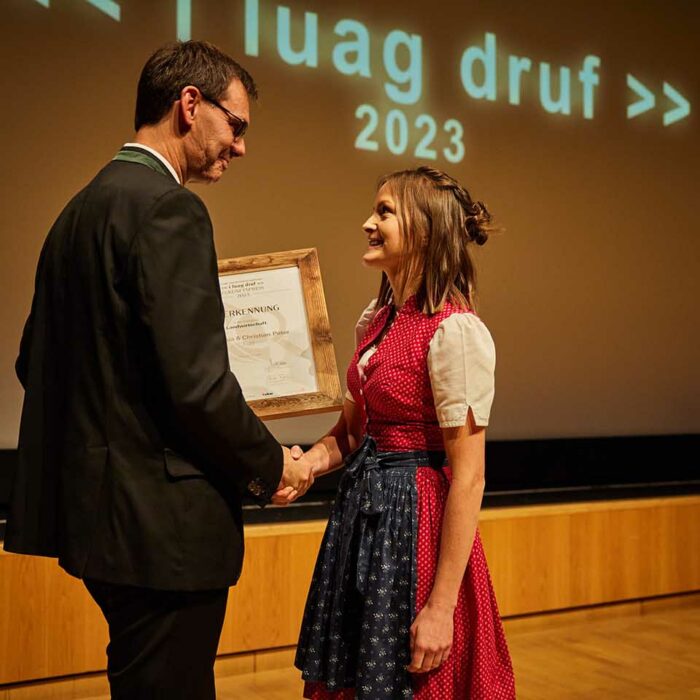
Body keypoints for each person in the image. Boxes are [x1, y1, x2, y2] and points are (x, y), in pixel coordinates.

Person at [4, 40, 313, 699]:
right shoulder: (171, 209)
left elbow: (35, 361)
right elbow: (198, 389)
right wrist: (271, 464)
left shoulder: (76, 213)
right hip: (161, 535)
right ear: (190, 104)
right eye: (237, 126)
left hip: (96, 527)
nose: (241, 147)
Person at [287, 167, 516, 698]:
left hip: (416, 530)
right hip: (365, 523)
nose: (368, 222)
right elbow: (351, 433)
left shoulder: (455, 332)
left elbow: (470, 478)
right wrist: (305, 466)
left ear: (426, 231)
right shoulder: (375, 320)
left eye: (385, 212)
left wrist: (439, 607)